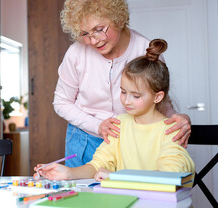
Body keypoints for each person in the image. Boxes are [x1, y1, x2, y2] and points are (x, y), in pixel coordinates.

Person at [53, 0, 191, 167]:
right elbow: (61, 102)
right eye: (84, 33)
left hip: (129, 140)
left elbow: (158, 100)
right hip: (84, 140)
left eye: (99, 30)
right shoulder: (76, 53)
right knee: (81, 193)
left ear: (118, 18)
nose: (93, 40)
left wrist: (179, 118)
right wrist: (97, 126)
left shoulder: (145, 49)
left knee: (125, 193)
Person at [37, 39, 195, 181]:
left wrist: (115, 176)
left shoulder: (171, 130)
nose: (126, 101)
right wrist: (68, 173)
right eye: (123, 92)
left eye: (136, 96)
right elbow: (98, 164)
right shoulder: (120, 124)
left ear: (158, 97)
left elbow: (170, 176)